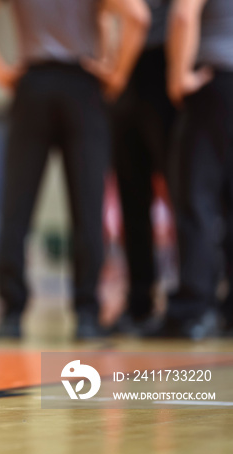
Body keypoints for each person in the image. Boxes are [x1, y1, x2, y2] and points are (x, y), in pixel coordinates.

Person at [0, 0, 150, 338]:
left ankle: (11, 315)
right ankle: (86, 314)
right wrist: (117, 74)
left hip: (34, 85)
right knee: (88, 208)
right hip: (84, 87)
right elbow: (138, 16)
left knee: (17, 206)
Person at [162, 0, 233, 338]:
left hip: (214, 80)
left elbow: (183, 14)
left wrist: (178, 76)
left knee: (195, 198)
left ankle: (193, 309)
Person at [109, 0, 177, 334]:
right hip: (127, 70)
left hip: (169, 63)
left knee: (188, 197)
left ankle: (196, 300)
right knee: (131, 195)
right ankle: (138, 300)